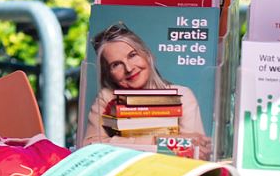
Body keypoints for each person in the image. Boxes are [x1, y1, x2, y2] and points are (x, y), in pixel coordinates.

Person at [81, 22, 210, 157]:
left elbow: (195, 152)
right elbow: (91, 147)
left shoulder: (182, 95)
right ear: (109, 73)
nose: (129, 68)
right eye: (116, 64)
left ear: (147, 55)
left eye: (132, 55)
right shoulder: (107, 98)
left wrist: (119, 144)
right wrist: (158, 141)